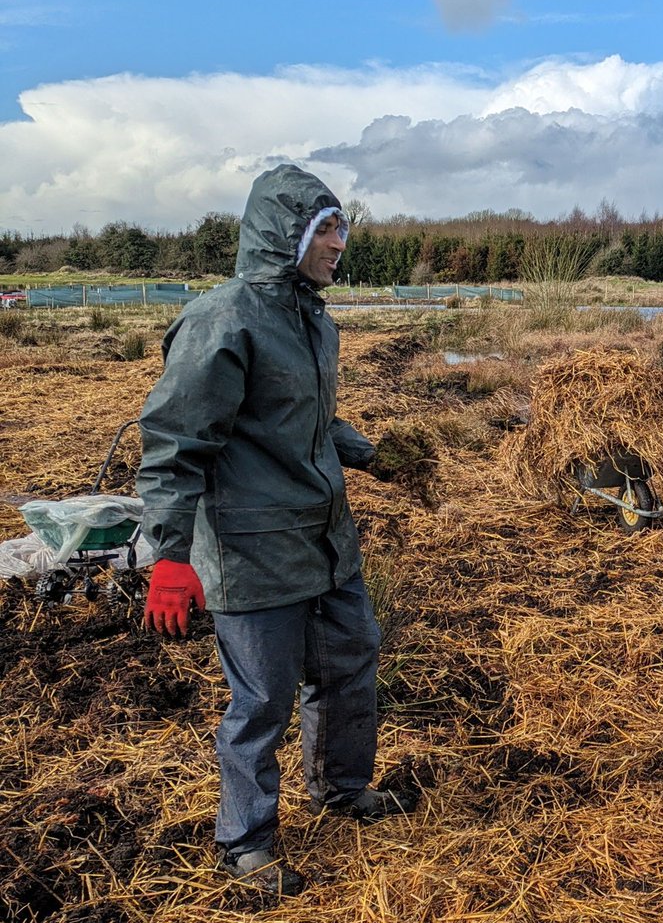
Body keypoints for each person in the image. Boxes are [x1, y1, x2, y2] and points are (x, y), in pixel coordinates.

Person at [137, 164, 411, 897]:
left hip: (325, 539)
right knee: (263, 700)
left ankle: (343, 788)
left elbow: (306, 422)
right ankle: (246, 841)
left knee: (352, 661)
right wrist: (169, 556)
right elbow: (173, 445)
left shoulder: (316, 321)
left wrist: (370, 452)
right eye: (326, 228)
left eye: (341, 226)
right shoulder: (224, 320)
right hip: (252, 551)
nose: (339, 243)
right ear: (285, 235)